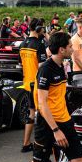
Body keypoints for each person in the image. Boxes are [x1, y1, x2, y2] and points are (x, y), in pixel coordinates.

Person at [26, 32, 82, 162]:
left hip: (65, 120)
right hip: (48, 124)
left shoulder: (62, 66)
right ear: (61, 50)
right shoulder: (46, 69)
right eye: (70, 47)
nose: (72, 49)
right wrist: (56, 130)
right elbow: (42, 103)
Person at [19, 19, 48, 153]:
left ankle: (26, 143)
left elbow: (21, 64)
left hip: (26, 83)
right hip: (36, 84)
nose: (43, 30)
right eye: (42, 28)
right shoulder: (39, 44)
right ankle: (41, 143)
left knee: (31, 113)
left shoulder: (23, 44)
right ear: (37, 29)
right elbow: (42, 66)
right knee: (42, 112)